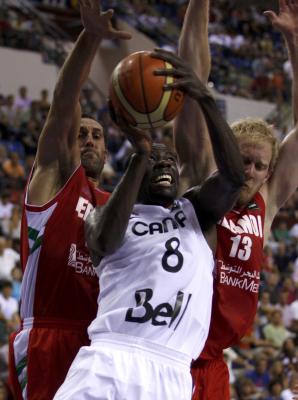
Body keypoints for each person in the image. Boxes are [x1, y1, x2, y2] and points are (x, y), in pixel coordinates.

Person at [54, 51, 245, 399]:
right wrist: (140, 154)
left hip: (170, 370)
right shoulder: (107, 215)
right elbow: (105, 241)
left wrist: (204, 97)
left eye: (171, 160)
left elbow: (234, 177)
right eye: (155, 161)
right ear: (136, 172)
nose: (165, 165)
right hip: (109, 357)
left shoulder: (196, 212)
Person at [168, 0, 298, 398]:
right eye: (242, 160)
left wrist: (293, 41)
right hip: (171, 351)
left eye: (260, 165)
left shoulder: (268, 200)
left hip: (214, 362)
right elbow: (192, 80)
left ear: (269, 173)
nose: (250, 172)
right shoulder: (204, 173)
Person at [8, 1, 131, 399]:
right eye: (82, 134)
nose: (90, 140)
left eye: (97, 135)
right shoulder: (56, 180)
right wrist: (91, 36)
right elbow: (64, 103)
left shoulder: (113, 202)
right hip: (49, 332)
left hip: (98, 342)